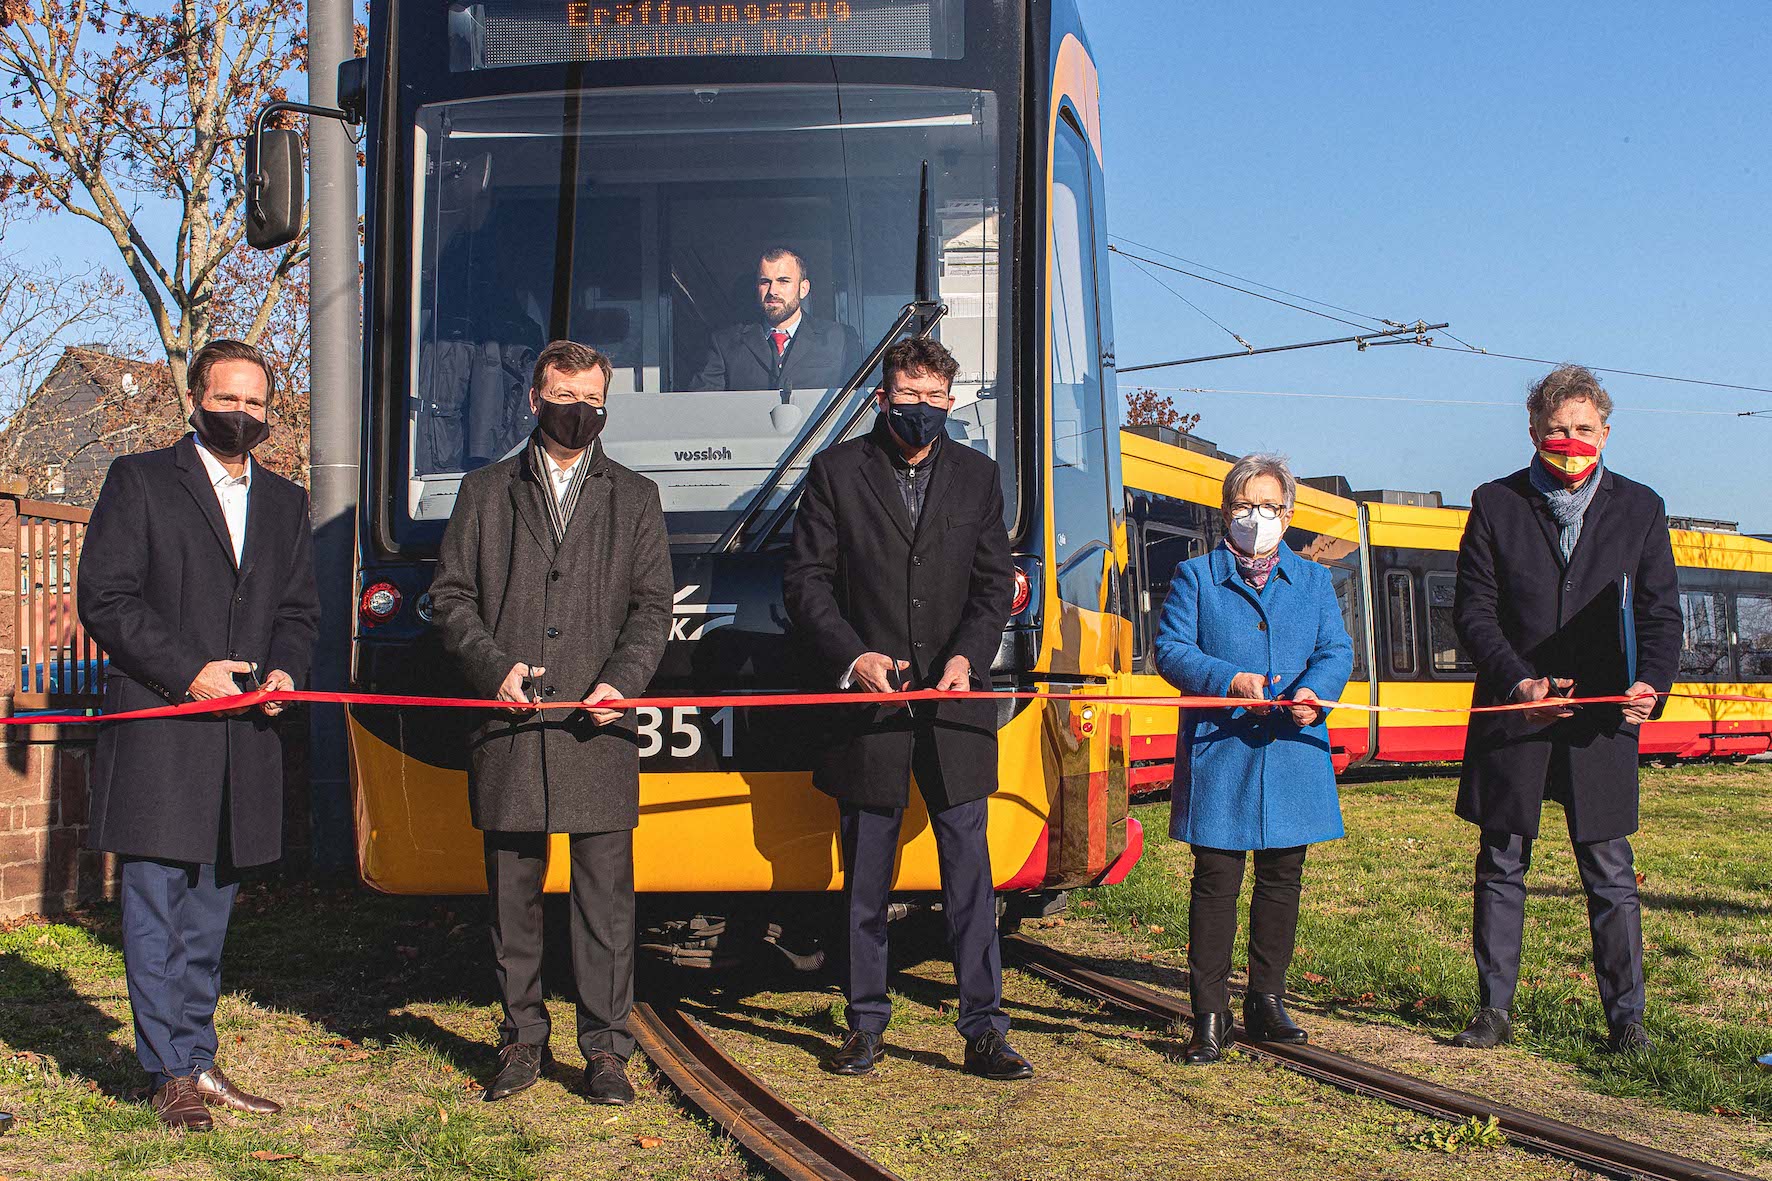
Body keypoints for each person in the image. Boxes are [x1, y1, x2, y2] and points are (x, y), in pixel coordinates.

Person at [77, 339, 320, 1130]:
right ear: (193, 398)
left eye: (255, 403)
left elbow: (297, 611)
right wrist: (191, 672)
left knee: (211, 910)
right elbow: (106, 599)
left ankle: (198, 1057)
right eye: (228, 399)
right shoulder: (140, 481)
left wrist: (283, 671)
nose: (241, 414)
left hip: (243, 739)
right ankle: (166, 1070)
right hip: (161, 728)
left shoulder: (286, 503)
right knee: (155, 905)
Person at [430, 340, 673, 1106]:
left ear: (606, 404)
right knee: (513, 897)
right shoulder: (483, 491)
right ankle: (520, 1039)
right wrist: (491, 665)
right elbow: (451, 596)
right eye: (564, 394)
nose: (579, 409)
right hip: (510, 723)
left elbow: (653, 609)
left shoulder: (634, 496)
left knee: (607, 900)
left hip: (598, 729)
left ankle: (606, 1049)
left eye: (592, 398)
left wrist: (620, 681)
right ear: (533, 400)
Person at [783, 336, 1031, 1081]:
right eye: (906, 394)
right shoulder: (835, 473)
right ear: (882, 397)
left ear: (950, 401)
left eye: (933, 397)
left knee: (970, 879)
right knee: (865, 879)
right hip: (871, 709)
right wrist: (852, 655)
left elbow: (993, 585)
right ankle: (864, 1023)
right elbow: (806, 583)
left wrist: (968, 656)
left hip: (954, 708)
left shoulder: (979, 478)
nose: (919, 409)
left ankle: (983, 1026)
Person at [1451, 364, 1681, 1054]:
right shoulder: (1494, 502)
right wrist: (1519, 683)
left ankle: (1627, 1020)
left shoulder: (1642, 508)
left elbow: (1661, 615)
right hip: (1515, 712)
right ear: (1533, 431)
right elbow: (1473, 612)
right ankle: (1493, 1010)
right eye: (1557, 428)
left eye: (1583, 428)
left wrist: (1653, 686)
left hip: (1602, 721)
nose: (1571, 440)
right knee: (1500, 860)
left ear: (1606, 431)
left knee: (1610, 870)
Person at [1152, 453, 1354, 1065]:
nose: (1256, 516)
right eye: (1245, 505)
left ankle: (1267, 1000)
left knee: (1281, 880)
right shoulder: (1195, 577)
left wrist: (1318, 695)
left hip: (1293, 749)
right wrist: (1228, 680)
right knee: (1215, 881)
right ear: (1225, 512)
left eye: (1268, 506)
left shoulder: (1316, 582)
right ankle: (1208, 1014)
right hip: (1222, 750)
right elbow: (1170, 651)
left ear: (1288, 515)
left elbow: (1336, 650)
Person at [691, 247, 862, 392]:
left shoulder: (840, 339)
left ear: (803, 289)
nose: (773, 291)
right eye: (765, 282)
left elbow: (865, 402)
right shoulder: (724, 343)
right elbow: (699, 410)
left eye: (783, 281)